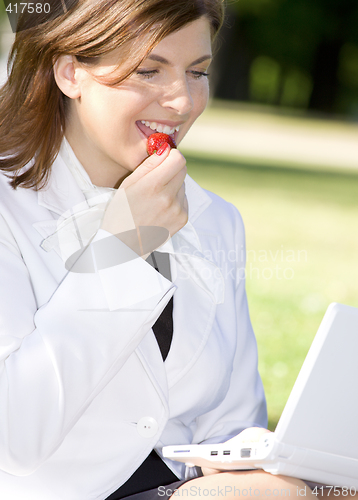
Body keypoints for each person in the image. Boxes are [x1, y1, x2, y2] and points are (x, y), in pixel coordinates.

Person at [0, 0, 316, 499]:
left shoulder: (216, 221)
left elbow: (232, 422)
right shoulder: (6, 210)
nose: (182, 102)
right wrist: (125, 246)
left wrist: (263, 458)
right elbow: (12, 434)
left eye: (197, 72)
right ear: (69, 73)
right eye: (149, 70)